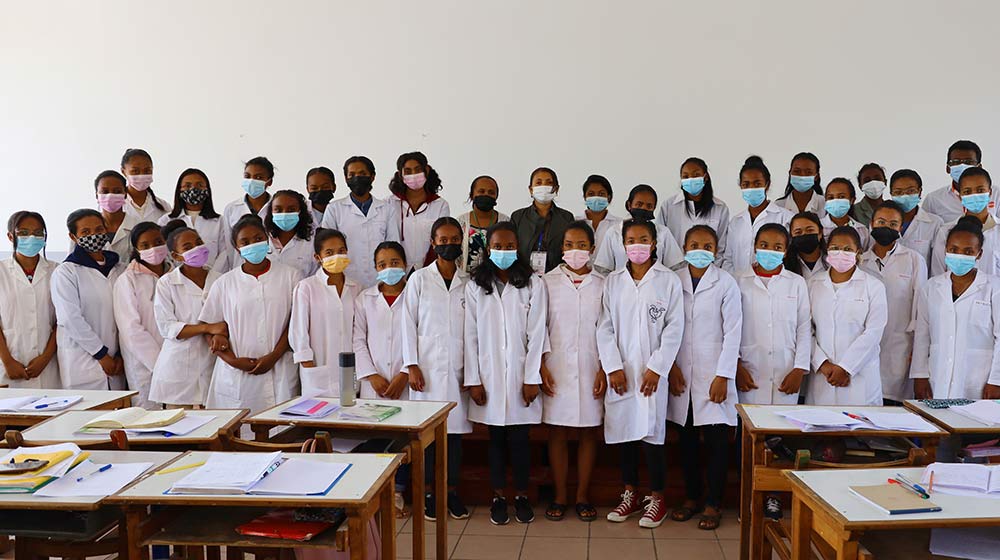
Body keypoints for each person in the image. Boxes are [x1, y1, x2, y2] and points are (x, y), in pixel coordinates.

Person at [599, 219, 683, 529]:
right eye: (631, 240)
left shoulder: (668, 280)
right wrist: (613, 366)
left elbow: (675, 329)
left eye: (643, 239)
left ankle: (657, 497)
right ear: (623, 245)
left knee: (651, 435)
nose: (637, 245)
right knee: (625, 435)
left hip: (651, 374)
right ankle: (630, 494)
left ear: (654, 243)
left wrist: (657, 368)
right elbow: (604, 327)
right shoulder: (614, 281)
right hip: (621, 372)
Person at [464, 222, 547, 525]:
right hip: (489, 377)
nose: (503, 251)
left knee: (521, 441)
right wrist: (473, 379)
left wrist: (531, 377)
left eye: (509, 246)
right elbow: (470, 335)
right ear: (488, 250)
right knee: (495, 441)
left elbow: (538, 333)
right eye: (497, 246)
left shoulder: (533, 283)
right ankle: (498, 496)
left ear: (518, 248)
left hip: (521, 377)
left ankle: (522, 496)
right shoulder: (475, 285)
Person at [668, 225, 741, 531]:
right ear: (684, 247)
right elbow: (665, 329)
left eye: (707, 245)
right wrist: (670, 366)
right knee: (686, 442)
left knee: (715, 443)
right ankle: (692, 497)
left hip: (714, 375)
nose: (701, 249)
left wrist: (724, 375)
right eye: (694, 243)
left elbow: (733, 331)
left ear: (716, 250)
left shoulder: (726, 283)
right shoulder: (673, 281)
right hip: (681, 373)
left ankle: (714, 501)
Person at [401, 218, 472, 521]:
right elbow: (407, 323)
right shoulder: (418, 280)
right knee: (428, 437)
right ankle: (429, 494)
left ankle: (451, 493)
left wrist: (473, 372)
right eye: (442, 239)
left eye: (454, 239)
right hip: (426, 372)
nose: (448, 244)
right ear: (433, 243)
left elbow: (474, 332)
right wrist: (412, 365)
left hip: (458, 370)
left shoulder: (468, 283)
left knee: (454, 437)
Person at [539, 222, 605, 523]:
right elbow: (538, 328)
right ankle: (560, 495)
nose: (575, 251)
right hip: (557, 367)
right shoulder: (545, 282)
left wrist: (606, 368)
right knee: (557, 430)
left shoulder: (604, 283)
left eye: (581, 245)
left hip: (593, 367)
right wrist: (540, 365)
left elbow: (609, 330)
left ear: (592, 248)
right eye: (569, 245)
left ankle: (582, 495)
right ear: (561, 248)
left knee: (590, 430)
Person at [199, 215, 298, 414]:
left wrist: (273, 356)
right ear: (237, 247)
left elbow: (296, 322)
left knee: (283, 429)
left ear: (267, 239)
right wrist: (233, 361)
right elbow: (209, 327)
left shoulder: (291, 275)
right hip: (236, 373)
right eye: (245, 242)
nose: (253, 244)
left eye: (258, 238)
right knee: (238, 432)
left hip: (279, 367)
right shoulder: (224, 283)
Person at [912, 217, 1000, 400]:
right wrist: (920, 375)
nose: (960, 255)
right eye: (954, 250)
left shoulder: (994, 288)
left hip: (980, 381)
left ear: (979, 254)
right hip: (938, 377)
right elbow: (922, 335)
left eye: (968, 251)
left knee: (973, 425)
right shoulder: (931, 287)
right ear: (945, 250)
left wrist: (996, 380)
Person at [354, 241, 411, 517]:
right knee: (375, 438)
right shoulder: (364, 299)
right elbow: (358, 340)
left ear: (405, 263)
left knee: (403, 438)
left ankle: (398, 492)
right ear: (375, 268)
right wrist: (371, 375)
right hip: (373, 383)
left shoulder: (415, 294)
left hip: (406, 381)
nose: (389, 268)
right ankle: (375, 491)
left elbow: (422, 337)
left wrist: (405, 373)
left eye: (395, 263)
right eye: (382, 264)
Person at [806, 226, 888, 405]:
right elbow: (805, 329)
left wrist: (846, 367)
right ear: (827, 250)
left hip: (860, 376)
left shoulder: (873, 286)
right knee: (819, 427)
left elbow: (873, 332)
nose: (840, 253)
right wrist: (822, 363)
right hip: (823, 375)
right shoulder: (813, 283)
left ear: (858, 253)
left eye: (848, 249)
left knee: (860, 428)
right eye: (835, 248)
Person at [859, 201, 927, 405]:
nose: (886, 227)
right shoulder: (860, 260)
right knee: (863, 405)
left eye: (893, 223)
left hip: (900, 347)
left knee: (893, 408)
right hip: (864, 347)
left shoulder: (914, 260)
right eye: (881, 222)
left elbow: (920, 310)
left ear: (900, 227)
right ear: (871, 223)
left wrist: (917, 351)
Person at [150, 221, 224, 408]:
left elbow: (227, 319)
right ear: (176, 255)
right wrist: (207, 328)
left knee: (213, 426)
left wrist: (218, 332)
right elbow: (167, 327)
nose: (197, 248)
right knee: (178, 427)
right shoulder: (167, 283)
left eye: (199, 242)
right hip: (178, 369)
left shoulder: (220, 279)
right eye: (188, 247)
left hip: (212, 363)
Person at [736, 224, 810, 407]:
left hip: (786, 371)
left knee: (782, 428)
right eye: (764, 245)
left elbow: (804, 327)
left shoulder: (797, 283)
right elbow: (729, 328)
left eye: (777, 247)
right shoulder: (737, 281)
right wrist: (736, 367)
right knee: (748, 425)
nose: (770, 251)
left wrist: (799, 369)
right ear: (755, 247)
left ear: (785, 251)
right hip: (749, 369)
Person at [51, 209, 125, 390]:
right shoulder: (66, 272)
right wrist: (101, 354)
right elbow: (69, 319)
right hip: (83, 360)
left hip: (118, 361)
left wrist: (123, 355)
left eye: (99, 230)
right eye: (85, 232)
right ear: (73, 236)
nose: (94, 235)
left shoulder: (120, 268)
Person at [289, 228, 361, 398]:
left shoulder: (356, 288)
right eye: (329, 252)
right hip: (318, 369)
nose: (337, 256)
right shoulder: (306, 287)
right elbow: (298, 331)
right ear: (318, 257)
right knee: (320, 419)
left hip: (350, 368)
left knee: (350, 414)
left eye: (341, 251)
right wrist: (309, 365)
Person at [112, 222, 169, 409]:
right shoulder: (127, 280)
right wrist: (159, 363)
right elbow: (131, 329)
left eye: (158, 241)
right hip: (144, 364)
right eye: (145, 245)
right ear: (136, 249)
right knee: (149, 419)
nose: (153, 248)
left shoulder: (175, 274)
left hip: (177, 360)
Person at [0, 211, 59, 388]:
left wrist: (45, 358)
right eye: (24, 233)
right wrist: (8, 361)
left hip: (48, 366)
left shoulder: (57, 271)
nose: (32, 237)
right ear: (11, 236)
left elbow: (62, 321)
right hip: (8, 364)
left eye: (38, 232)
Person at [321, 156, 399, 287]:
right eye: (352, 174)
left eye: (362, 174)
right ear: (346, 179)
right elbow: (326, 247)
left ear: (372, 176)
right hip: (345, 279)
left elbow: (393, 245)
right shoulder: (334, 209)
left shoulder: (386, 209)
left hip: (380, 278)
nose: (357, 178)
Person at [722, 156, 794, 273]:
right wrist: (733, 284)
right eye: (746, 184)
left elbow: (790, 258)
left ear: (767, 184)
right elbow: (728, 259)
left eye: (757, 183)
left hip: (774, 285)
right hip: (738, 285)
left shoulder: (785, 218)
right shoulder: (736, 221)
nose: (751, 188)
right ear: (740, 186)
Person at [593, 184, 684, 274]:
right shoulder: (614, 232)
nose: (643, 208)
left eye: (649, 206)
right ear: (629, 205)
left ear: (654, 208)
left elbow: (675, 267)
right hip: (621, 286)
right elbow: (603, 269)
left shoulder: (663, 232)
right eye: (639, 204)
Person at [657, 157, 730, 264]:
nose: (690, 179)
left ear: (705, 177)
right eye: (686, 176)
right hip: (674, 269)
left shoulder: (720, 208)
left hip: (708, 270)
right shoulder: (669, 206)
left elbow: (721, 246)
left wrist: (714, 271)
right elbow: (660, 240)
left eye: (696, 175)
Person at [387, 152, 451, 271]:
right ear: (400, 175)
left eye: (417, 169)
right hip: (396, 270)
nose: (413, 175)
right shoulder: (389, 203)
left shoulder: (440, 205)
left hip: (430, 269)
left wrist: (427, 270)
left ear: (427, 170)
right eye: (408, 171)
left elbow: (440, 240)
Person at [931, 167, 1000, 277]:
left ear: (990, 192)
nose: (974, 195)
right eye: (967, 191)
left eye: (980, 190)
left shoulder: (997, 229)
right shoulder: (946, 231)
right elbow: (937, 273)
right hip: (953, 293)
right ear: (961, 195)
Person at [157, 168, 228, 272]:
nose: (193, 189)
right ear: (179, 190)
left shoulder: (220, 221)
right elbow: (164, 254)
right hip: (177, 280)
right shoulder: (165, 220)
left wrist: (211, 276)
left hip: (214, 279)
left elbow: (224, 254)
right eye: (187, 186)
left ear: (207, 190)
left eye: (199, 185)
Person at [510, 167, 575, 275]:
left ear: (556, 189)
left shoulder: (566, 218)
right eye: (538, 183)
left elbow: (570, 250)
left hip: (557, 277)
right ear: (531, 189)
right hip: (524, 277)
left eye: (549, 183)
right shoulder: (518, 217)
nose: (543, 186)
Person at [922, 140, 997, 223]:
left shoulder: (997, 194)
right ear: (948, 168)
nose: (962, 166)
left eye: (969, 162)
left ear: (979, 167)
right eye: (956, 162)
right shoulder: (933, 200)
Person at [889, 168, 943, 265]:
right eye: (898, 192)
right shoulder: (881, 222)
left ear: (920, 191)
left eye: (911, 191)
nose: (904, 196)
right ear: (891, 194)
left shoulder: (935, 223)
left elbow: (938, 264)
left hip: (922, 279)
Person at [457, 175, 509, 273]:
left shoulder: (505, 222)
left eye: (491, 192)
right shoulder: (461, 222)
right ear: (471, 195)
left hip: (496, 280)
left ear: (496, 196)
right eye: (481, 191)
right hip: (466, 282)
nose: (486, 195)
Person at [264, 189, 316, 281]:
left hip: (301, 293)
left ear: (300, 211)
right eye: (278, 210)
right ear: (271, 212)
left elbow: (315, 275)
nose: (284, 214)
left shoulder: (312, 241)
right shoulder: (262, 238)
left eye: (291, 210)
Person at [95, 170, 139, 263]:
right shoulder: (85, 227)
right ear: (97, 196)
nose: (110, 195)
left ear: (125, 194)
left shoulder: (137, 226)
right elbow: (71, 265)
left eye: (117, 191)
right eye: (105, 191)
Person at [120, 148, 171, 223]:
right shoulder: (116, 204)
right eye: (135, 171)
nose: (141, 175)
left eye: (147, 171)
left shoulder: (164, 207)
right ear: (123, 172)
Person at [222, 156, 274, 229]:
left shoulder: (277, 207)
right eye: (247, 176)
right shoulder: (231, 209)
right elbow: (228, 239)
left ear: (270, 181)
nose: (251, 181)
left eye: (258, 177)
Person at [821, 178, 871, 251]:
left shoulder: (862, 230)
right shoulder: (819, 226)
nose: (835, 201)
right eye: (830, 197)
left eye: (841, 197)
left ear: (852, 200)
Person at [575, 174, 621, 251]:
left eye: (601, 194)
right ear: (585, 197)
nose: (596, 198)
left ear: (609, 197)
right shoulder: (574, 222)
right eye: (591, 194)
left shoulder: (619, 224)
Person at [783, 212, 828, 281]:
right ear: (791, 236)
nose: (804, 234)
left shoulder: (831, 261)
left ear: (820, 233)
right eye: (798, 232)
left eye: (810, 230)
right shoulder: (785, 264)